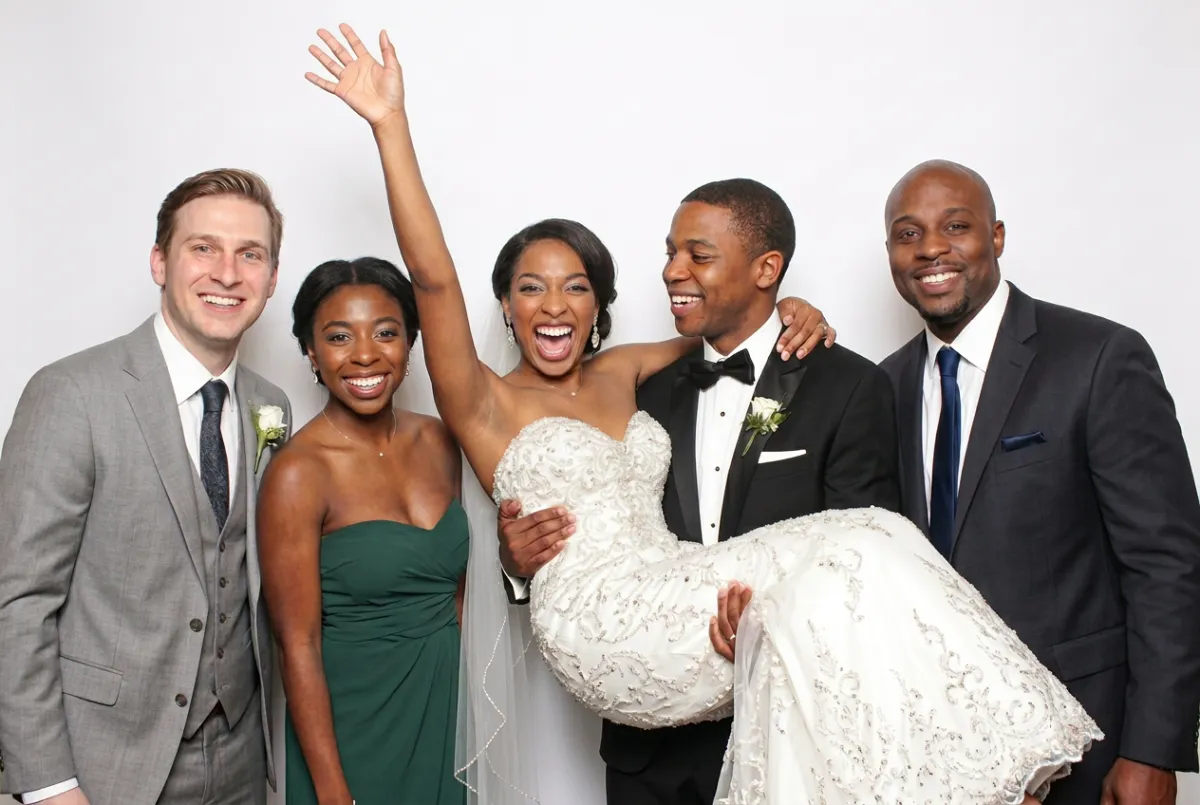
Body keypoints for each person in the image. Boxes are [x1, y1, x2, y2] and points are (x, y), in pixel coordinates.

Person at [304, 24, 1101, 804]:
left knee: (877, 538)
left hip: (681, 590)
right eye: (531, 288)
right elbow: (432, 277)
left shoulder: (634, 370)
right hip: (602, 624)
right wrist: (390, 126)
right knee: (867, 543)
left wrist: (791, 303)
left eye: (575, 285)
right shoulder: (483, 399)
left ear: (598, 305)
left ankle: (987, 770)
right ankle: (1001, 766)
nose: (553, 305)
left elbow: (725, 322)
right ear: (505, 307)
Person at [494, 168, 897, 805]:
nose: (672, 271)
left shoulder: (846, 386)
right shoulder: (641, 391)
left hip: (785, 729)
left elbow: (866, 561)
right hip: (647, 743)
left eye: (697, 255)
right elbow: (606, 525)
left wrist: (772, 624)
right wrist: (518, 562)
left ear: (766, 269)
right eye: (669, 252)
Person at [877, 159, 1200, 805]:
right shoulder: (884, 385)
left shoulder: (1098, 356)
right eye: (908, 233)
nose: (931, 248)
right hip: (938, 749)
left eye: (956, 226)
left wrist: (1151, 749)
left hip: (1089, 742)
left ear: (996, 237)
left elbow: (1167, 563)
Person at [0, 169, 290, 805]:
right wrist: (48, 785)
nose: (227, 272)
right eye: (203, 248)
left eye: (250, 254)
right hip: (105, 765)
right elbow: (18, 602)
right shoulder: (72, 393)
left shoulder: (272, 406)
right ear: (160, 261)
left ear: (270, 279)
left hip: (245, 764)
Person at [258, 257, 468, 805]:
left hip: (450, 716)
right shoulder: (298, 472)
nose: (366, 355)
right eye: (338, 337)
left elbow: (464, 593)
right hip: (354, 732)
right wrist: (332, 793)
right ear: (311, 352)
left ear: (411, 342)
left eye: (385, 333)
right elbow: (297, 643)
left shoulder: (441, 441)